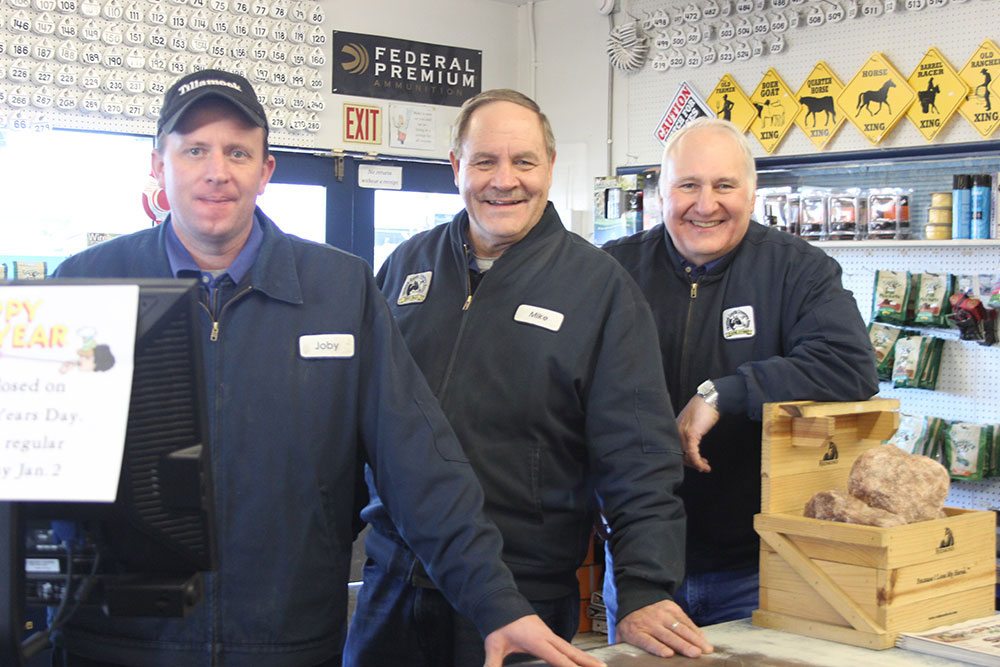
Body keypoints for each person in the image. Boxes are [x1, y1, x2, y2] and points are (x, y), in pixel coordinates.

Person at [50, 70, 604, 667]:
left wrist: (496, 601)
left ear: (265, 172)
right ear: (158, 166)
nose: (217, 171)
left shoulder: (339, 290)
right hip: (115, 641)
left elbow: (418, 464)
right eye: (194, 150)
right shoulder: (87, 286)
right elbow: (29, 483)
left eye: (239, 151)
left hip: (287, 640)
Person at [343, 89, 714, 666]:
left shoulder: (599, 289)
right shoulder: (406, 265)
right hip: (393, 579)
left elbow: (639, 454)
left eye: (524, 162)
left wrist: (643, 587)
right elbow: (359, 421)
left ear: (550, 167)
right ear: (455, 167)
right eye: (485, 161)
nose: (504, 180)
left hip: (523, 594)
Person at [601, 117, 879, 635]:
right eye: (688, 185)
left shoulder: (798, 269)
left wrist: (725, 392)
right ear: (661, 193)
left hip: (758, 566)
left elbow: (849, 365)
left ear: (753, 195)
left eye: (724, 185)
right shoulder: (612, 273)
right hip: (641, 567)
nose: (705, 205)